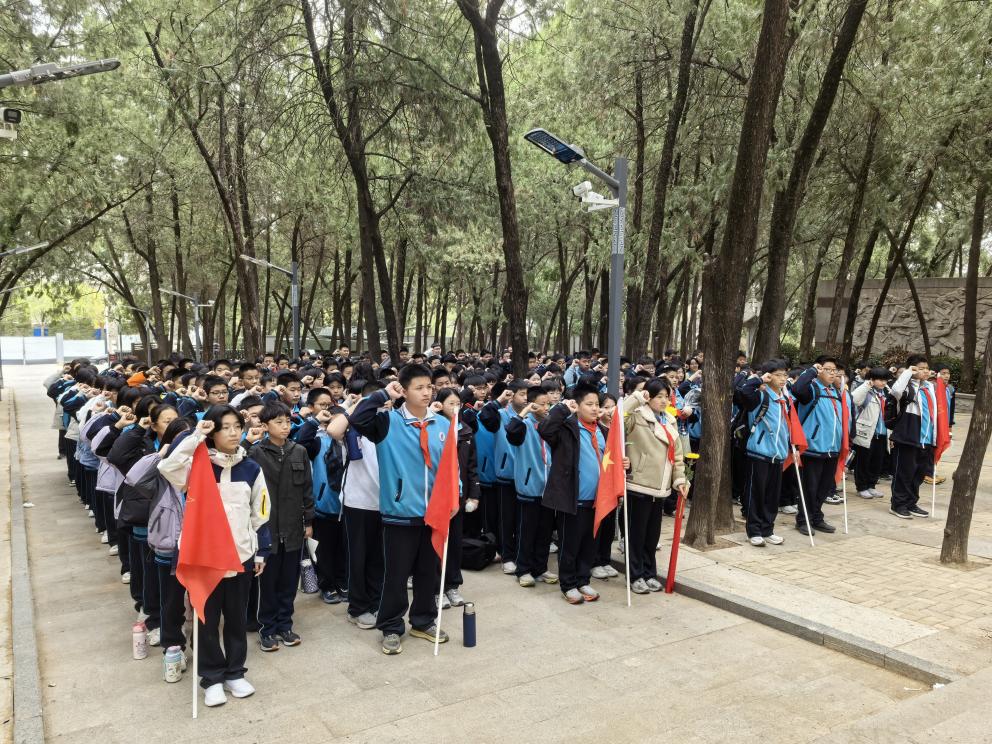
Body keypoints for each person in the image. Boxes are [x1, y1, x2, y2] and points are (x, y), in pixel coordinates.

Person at [158, 408, 271, 708]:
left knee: (236, 618)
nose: (233, 433)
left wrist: (262, 550)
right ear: (213, 432)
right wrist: (196, 435)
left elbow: (260, 510)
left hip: (241, 554)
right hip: (205, 558)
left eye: (237, 426)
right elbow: (167, 467)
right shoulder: (197, 466)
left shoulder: (251, 467)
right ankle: (211, 678)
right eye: (225, 427)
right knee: (206, 622)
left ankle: (235, 672)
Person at [350, 364, 453, 656]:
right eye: (418, 387)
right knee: (396, 575)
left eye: (429, 386)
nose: (426, 392)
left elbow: (451, 466)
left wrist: (453, 495)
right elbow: (357, 419)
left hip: (434, 513)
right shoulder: (387, 423)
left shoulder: (442, 424)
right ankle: (391, 626)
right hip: (400, 512)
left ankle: (423, 620)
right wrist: (383, 394)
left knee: (428, 572)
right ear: (404, 391)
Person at [539, 383, 627, 605]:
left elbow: (611, 461)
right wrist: (562, 408)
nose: (595, 408)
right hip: (573, 499)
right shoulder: (567, 428)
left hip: (599, 500)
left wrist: (625, 464)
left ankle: (583, 579)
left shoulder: (603, 431)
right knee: (570, 545)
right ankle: (568, 584)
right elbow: (545, 430)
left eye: (597, 404)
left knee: (590, 544)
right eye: (589, 404)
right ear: (576, 406)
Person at [247, 401, 316, 650]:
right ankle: (267, 629)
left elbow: (307, 489)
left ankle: (285, 625)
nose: (285, 426)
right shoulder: (256, 452)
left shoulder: (299, 451)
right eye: (278, 422)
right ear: (265, 426)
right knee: (267, 582)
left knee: (288, 582)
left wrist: (309, 521)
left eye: (287, 421)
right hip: (266, 530)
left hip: (293, 528)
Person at [622, 378, 686, 592]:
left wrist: (679, 479)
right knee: (636, 535)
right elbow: (617, 418)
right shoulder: (637, 416)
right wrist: (637, 397)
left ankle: (649, 573)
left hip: (661, 488)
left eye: (666, 396)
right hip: (639, 485)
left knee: (652, 536)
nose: (663, 401)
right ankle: (635, 575)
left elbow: (678, 456)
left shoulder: (670, 420)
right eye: (659, 396)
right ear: (648, 396)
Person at [330, 380, 384, 630]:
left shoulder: (389, 425)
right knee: (358, 558)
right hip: (358, 503)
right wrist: (357, 405)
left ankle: (376, 602)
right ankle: (358, 607)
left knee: (379, 558)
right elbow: (333, 430)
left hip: (386, 503)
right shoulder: (352, 428)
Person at [736, 361, 795, 547]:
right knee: (756, 494)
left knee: (772, 496)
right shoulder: (760, 395)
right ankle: (753, 531)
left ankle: (767, 529)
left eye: (785, 375)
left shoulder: (785, 399)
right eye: (777, 375)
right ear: (769, 376)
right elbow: (743, 392)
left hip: (778, 455)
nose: (782, 379)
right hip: (759, 453)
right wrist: (760, 379)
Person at [505, 385, 557, 589]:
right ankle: (523, 569)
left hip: (549, 490)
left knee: (544, 532)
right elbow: (511, 431)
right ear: (532, 404)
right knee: (526, 532)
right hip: (529, 488)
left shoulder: (550, 426)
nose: (546, 408)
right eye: (542, 404)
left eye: (548, 404)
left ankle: (540, 568)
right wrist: (526, 411)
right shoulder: (524, 426)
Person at [791, 357, 844, 536]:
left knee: (824, 488)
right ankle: (803, 520)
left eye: (834, 370)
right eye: (827, 369)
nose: (832, 373)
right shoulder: (812, 390)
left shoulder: (836, 392)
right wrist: (812, 371)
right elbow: (797, 389)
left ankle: (816, 517)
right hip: (813, 448)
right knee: (809, 488)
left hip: (833, 448)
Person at [887, 356, 937, 519]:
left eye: (926, 368)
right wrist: (908, 372)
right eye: (920, 368)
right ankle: (898, 504)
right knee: (904, 473)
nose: (925, 371)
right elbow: (896, 391)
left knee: (918, 475)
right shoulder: (907, 387)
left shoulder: (929, 387)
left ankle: (911, 503)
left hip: (926, 438)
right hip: (907, 437)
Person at [851, 367, 890, 499]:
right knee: (863, 462)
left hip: (882, 433)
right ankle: (861, 487)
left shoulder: (885, 393)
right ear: (872, 379)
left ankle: (871, 485)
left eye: (885, 379)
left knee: (877, 462)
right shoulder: (866, 391)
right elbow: (854, 399)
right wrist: (867, 384)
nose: (883, 382)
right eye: (880, 379)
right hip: (866, 433)